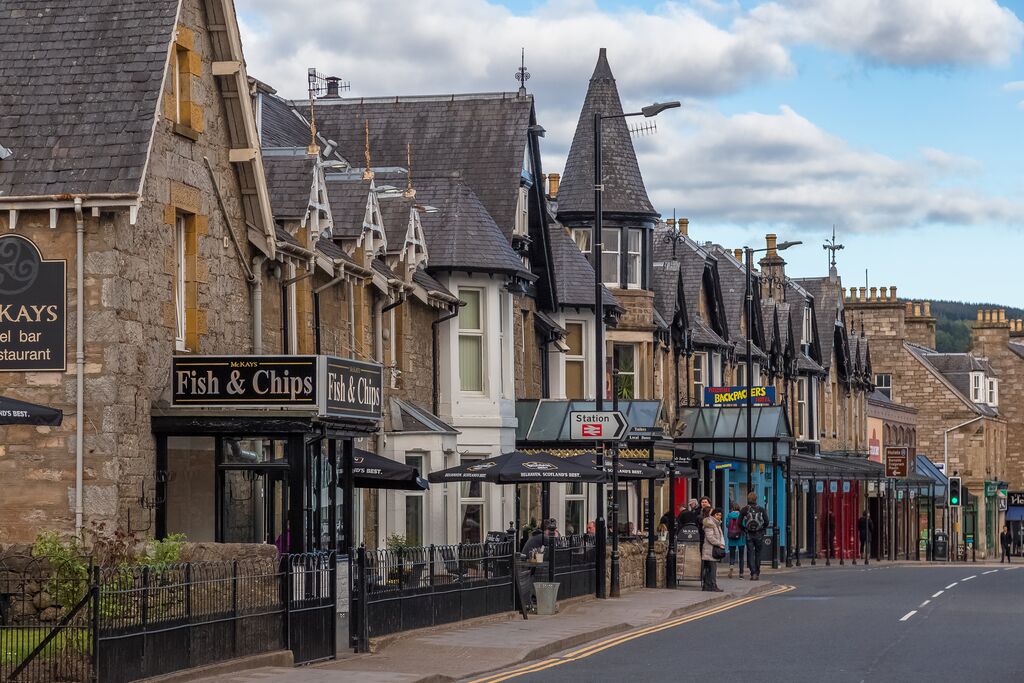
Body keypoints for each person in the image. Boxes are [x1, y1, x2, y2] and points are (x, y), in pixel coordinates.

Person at [741, 491, 768, 580]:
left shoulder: (745, 509)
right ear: (756, 499)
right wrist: (762, 529)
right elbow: (766, 522)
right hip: (759, 534)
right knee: (758, 553)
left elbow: (738, 522)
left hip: (749, 534)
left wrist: (744, 529)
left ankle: (753, 573)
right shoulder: (761, 509)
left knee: (750, 553)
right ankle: (757, 571)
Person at [701, 508, 725, 592]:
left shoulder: (716, 524)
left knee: (710, 569)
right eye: (717, 515)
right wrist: (719, 544)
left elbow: (720, 535)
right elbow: (710, 537)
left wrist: (721, 543)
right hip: (709, 550)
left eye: (720, 515)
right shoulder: (710, 523)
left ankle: (707, 586)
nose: (719, 517)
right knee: (712, 569)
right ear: (713, 515)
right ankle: (712, 585)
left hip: (712, 549)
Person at [726, 502, 746, 579]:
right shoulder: (741, 515)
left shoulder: (729, 515)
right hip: (740, 537)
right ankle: (741, 574)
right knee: (741, 557)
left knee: (732, 555)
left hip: (731, 537)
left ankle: (731, 566)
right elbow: (744, 525)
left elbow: (727, 525)